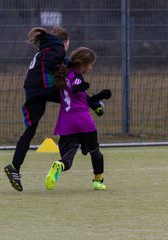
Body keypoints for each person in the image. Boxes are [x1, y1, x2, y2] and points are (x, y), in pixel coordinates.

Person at [4, 26, 70, 192]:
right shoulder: (58, 48)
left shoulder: (44, 49)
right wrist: (63, 69)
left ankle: (14, 167)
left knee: (30, 130)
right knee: (73, 100)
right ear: (65, 42)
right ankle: (76, 142)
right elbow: (50, 64)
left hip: (32, 90)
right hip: (44, 87)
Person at [45, 47, 112, 191]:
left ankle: (60, 165)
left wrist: (98, 97)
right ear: (82, 65)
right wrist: (80, 87)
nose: (91, 68)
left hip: (66, 123)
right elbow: (76, 87)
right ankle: (98, 181)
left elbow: (83, 97)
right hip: (83, 122)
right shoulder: (76, 78)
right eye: (90, 65)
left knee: (68, 157)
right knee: (96, 152)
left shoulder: (64, 75)